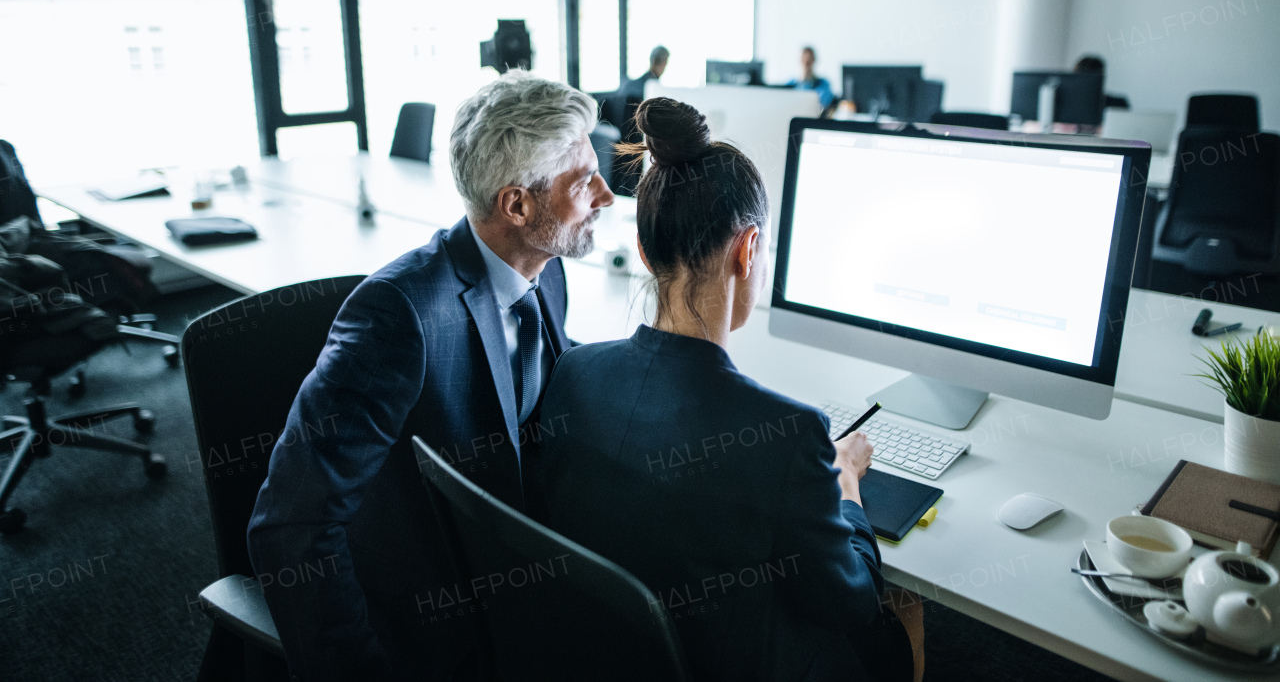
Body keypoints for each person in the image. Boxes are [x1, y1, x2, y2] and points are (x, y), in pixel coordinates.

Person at [535, 97, 923, 682]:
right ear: (747, 250)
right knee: (907, 611)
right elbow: (849, 603)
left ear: (643, 250)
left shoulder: (574, 373)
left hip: (606, 655)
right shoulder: (789, 434)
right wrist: (845, 486)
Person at [246, 71, 615, 681]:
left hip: (514, 563)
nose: (605, 194)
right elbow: (292, 524)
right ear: (516, 204)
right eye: (584, 180)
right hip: (433, 607)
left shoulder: (545, 268)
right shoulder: (398, 317)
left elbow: (546, 376)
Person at [610, 45, 670, 196]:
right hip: (640, 144)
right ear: (663, 64)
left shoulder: (632, 85)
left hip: (622, 143)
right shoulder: (652, 89)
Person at [786, 45, 836, 110]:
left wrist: (808, 82)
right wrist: (802, 81)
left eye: (808, 62)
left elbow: (824, 103)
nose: (805, 65)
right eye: (803, 61)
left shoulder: (823, 84)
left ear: (814, 60)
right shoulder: (791, 84)